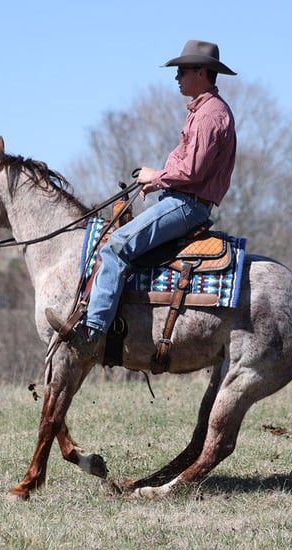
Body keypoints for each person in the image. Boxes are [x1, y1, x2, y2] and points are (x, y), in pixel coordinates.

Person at [47, 39, 238, 358]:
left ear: (202, 72)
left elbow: (191, 172)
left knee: (116, 246)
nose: (176, 77)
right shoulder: (203, 110)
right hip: (182, 199)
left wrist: (155, 176)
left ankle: (93, 331)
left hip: (188, 205)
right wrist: (157, 182)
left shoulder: (208, 116)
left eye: (182, 71)